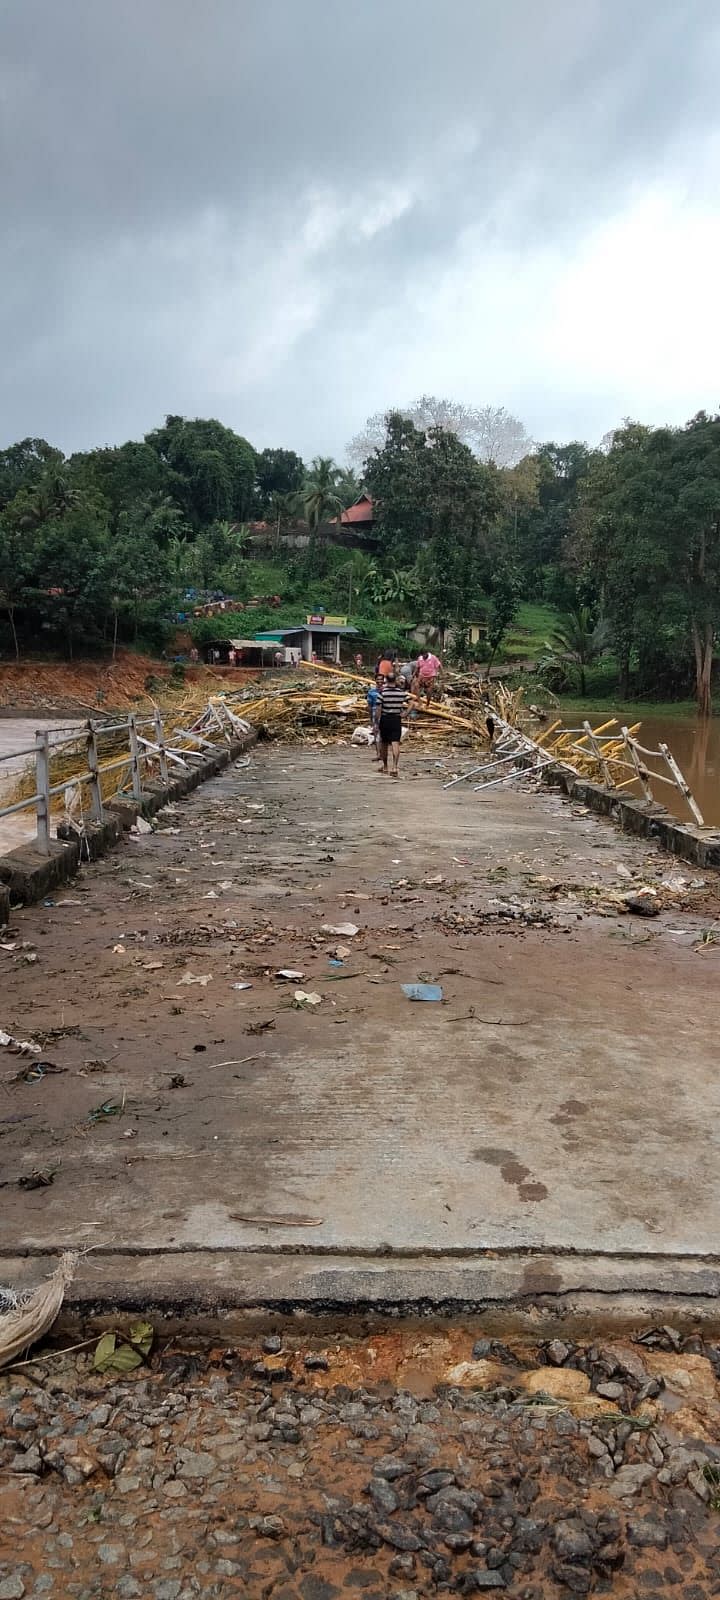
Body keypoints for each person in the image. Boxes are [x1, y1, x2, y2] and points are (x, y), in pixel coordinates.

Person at [377, 669, 410, 778]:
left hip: (385, 719)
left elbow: (378, 708)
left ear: (386, 680)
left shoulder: (382, 692)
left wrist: (377, 722)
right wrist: (405, 713)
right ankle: (395, 767)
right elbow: (413, 703)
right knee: (395, 743)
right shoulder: (401, 693)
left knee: (384, 744)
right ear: (395, 680)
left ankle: (385, 766)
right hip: (396, 719)